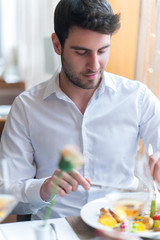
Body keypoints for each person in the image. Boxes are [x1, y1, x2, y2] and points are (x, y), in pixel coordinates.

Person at [0, 0, 160, 222]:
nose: (94, 65)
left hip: (121, 228)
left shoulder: (137, 98)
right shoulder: (26, 107)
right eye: (81, 52)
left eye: (103, 50)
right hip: (54, 231)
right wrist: (43, 188)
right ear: (57, 44)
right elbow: (5, 194)